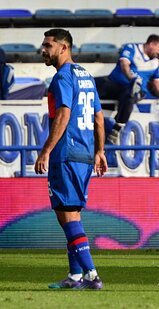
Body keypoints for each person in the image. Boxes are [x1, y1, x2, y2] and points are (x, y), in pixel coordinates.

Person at [34, 28, 108, 290]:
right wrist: (100, 151)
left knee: (66, 215)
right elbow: (99, 117)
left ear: (64, 48)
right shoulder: (87, 76)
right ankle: (75, 276)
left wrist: (46, 150)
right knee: (71, 214)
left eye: (48, 45)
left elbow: (64, 114)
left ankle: (91, 274)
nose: (43, 50)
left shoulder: (63, 77)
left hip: (66, 154)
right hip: (85, 154)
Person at [96, 34, 159, 143]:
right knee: (91, 83)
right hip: (116, 84)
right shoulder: (132, 48)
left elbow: (156, 80)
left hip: (137, 89)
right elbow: (124, 64)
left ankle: (118, 127)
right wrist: (132, 78)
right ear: (152, 44)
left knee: (131, 94)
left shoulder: (155, 62)